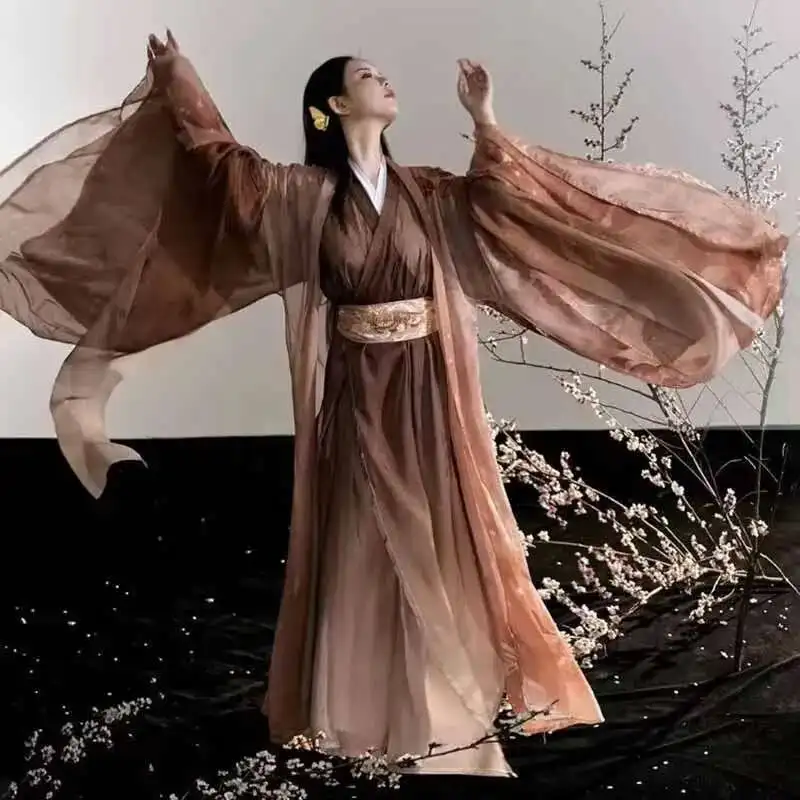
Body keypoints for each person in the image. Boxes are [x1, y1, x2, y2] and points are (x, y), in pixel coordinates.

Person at [0, 31, 787, 776]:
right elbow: (225, 173)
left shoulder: (430, 193)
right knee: (363, 534)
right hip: (356, 390)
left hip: (429, 389)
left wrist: (485, 120)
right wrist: (182, 86)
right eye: (365, 75)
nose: (384, 80)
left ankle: (455, 703)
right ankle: (366, 705)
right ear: (336, 106)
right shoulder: (303, 195)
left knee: (443, 532)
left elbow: (503, 204)